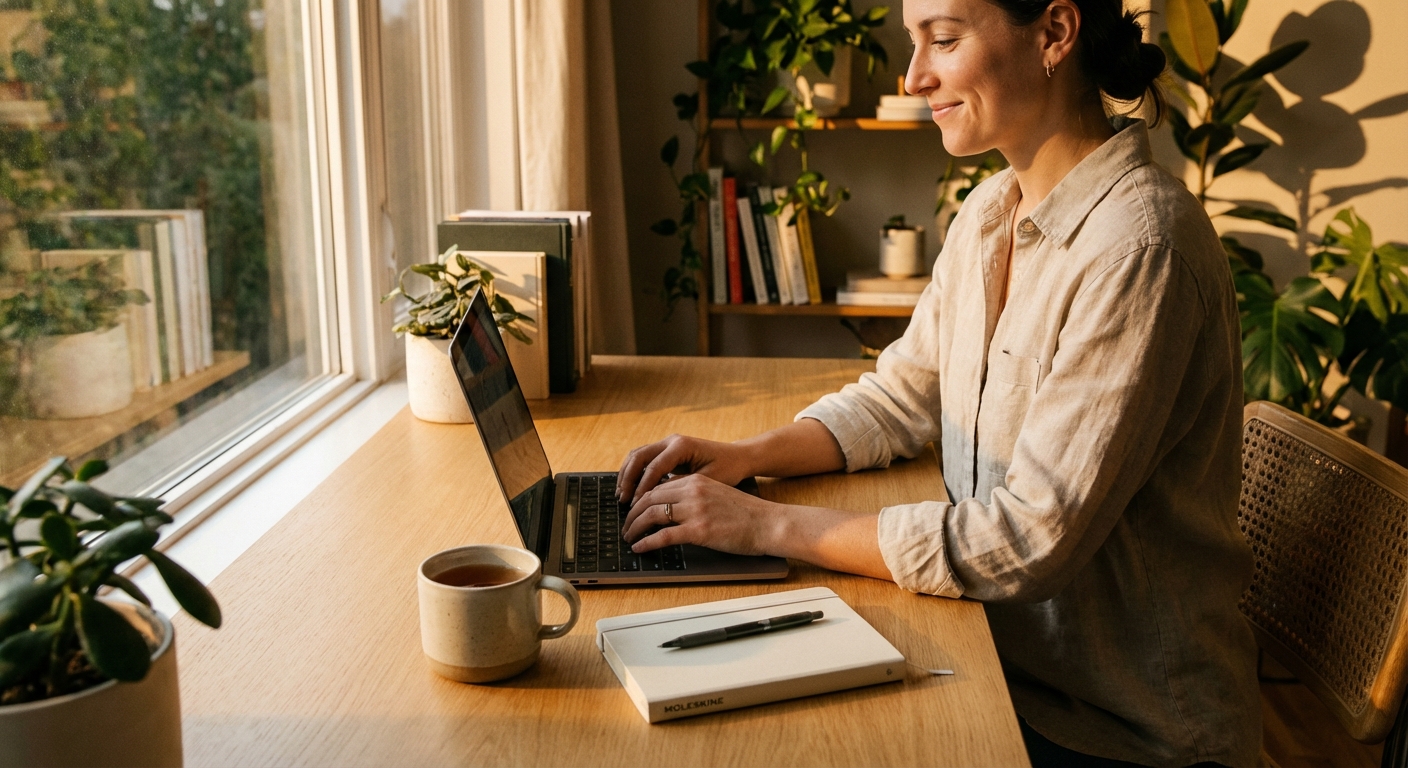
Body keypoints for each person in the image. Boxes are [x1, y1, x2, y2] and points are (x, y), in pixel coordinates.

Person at [616, 0, 1260, 765]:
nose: (917, 75)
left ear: (1055, 33)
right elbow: (900, 397)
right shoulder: (991, 213)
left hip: (1121, 731)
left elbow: (1026, 541)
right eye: (913, 42)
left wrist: (764, 526)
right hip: (1000, 663)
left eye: (944, 40)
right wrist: (746, 457)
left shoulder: (1139, 249)